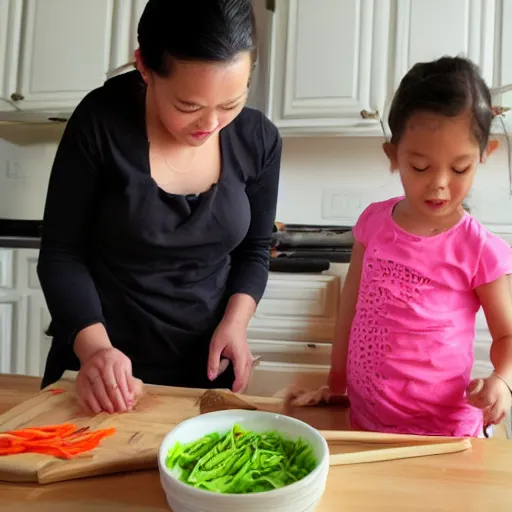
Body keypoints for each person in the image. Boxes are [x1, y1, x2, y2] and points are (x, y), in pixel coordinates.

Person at [37, 0, 282, 415]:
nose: (211, 125)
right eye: (189, 106)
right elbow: (62, 253)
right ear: (145, 69)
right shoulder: (100, 121)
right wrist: (95, 351)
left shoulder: (260, 139)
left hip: (202, 374)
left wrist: (235, 323)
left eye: (231, 104)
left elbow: (255, 250)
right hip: (103, 371)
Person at [310, 56, 512, 438]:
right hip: (366, 421)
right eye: (420, 167)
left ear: (485, 155)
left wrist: (503, 381)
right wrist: (337, 385)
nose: (439, 184)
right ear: (393, 156)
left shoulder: (478, 249)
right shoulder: (373, 224)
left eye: (459, 169)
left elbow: (508, 335)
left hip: (443, 433)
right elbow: (349, 310)